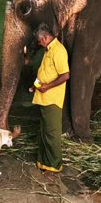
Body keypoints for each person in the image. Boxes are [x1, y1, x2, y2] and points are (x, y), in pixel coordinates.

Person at [30, 23, 70, 174]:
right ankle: (44, 162)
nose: (39, 44)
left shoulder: (59, 50)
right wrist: (36, 86)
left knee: (52, 134)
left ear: (45, 38)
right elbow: (47, 73)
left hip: (52, 99)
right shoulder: (49, 50)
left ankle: (54, 165)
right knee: (44, 132)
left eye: (40, 41)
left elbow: (65, 75)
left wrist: (47, 87)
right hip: (44, 98)